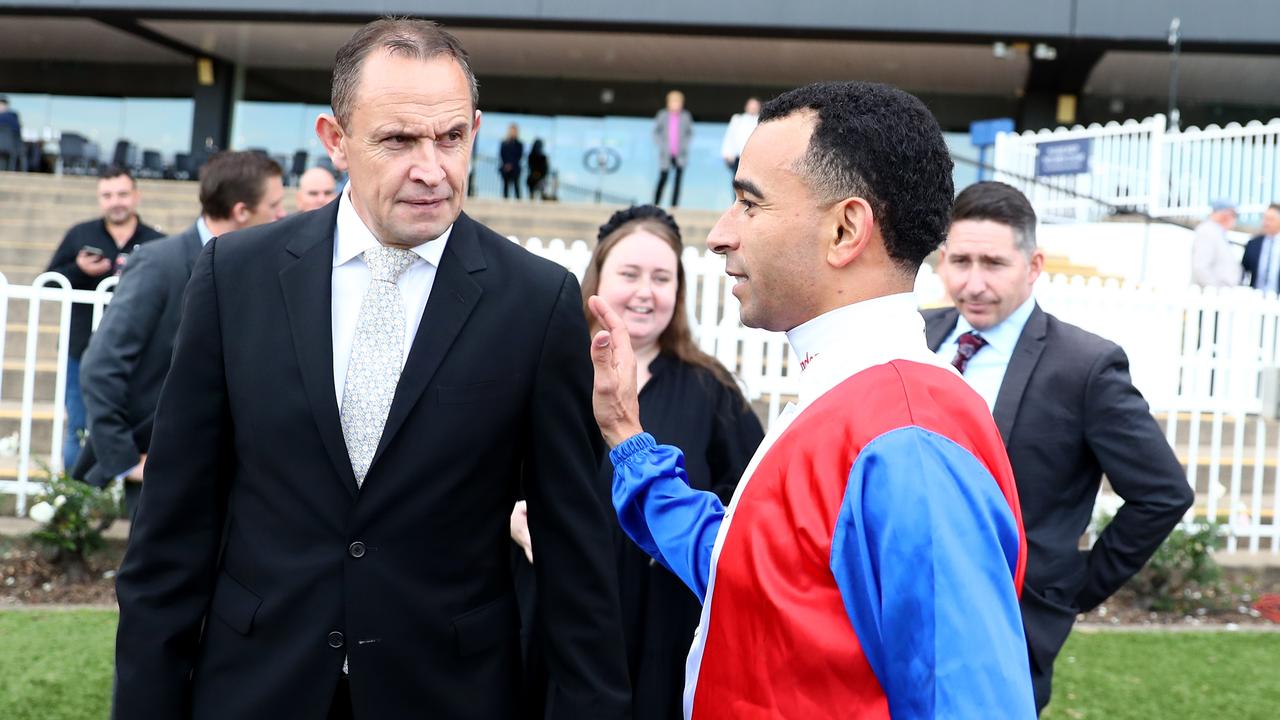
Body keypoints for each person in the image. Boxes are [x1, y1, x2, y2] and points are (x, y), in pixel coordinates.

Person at [112, 19, 630, 720]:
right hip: (257, 688)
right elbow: (171, 534)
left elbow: (575, 555)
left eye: (451, 137)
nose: (431, 167)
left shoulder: (535, 302)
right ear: (336, 140)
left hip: (449, 695)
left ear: (476, 129)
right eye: (398, 140)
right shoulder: (236, 279)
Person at [591, 82, 1035, 718]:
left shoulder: (907, 434)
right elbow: (752, 573)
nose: (719, 234)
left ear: (846, 228)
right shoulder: (855, 395)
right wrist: (630, 442)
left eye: (749, 203)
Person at [924, 181, 1195, 714]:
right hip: (896, 606)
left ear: (1034, 265)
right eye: (960, 261)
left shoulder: (1085, 366)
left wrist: (1071, 590)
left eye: (994, 263)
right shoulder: (913, 336)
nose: (974, 283)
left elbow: (1162, 494)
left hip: (1007, 624)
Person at [510, 205, 764, 719]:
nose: (645, 292)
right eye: (629, 274)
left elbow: (748, 510)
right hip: (550, 614)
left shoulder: (713, 392)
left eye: (661, 277)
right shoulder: (542, 370)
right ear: (597, 279)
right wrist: (509, 516)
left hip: (662, 626)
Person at [77, 152, 285, 519]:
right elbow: (100, 366)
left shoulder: (261, 266)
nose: (281, 215)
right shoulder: (160, 264)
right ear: (241, 211)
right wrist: (126, 461)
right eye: (275, 204)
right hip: (160, 471)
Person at [44, 166, 164, 472]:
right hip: (81, 348)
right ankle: (79, 501)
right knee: (80, 428)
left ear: (136, 196)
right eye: (108, 195)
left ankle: (123, 499)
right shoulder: (80, 234)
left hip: (139, 353)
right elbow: (47, 283)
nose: (116, 201)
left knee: (136, 429)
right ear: (99, 199)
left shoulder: (156, 241)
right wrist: (79, 270)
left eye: (123, 194)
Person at [652, 91, 692, 207]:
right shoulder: (662, 115)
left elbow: (689, 133)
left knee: (678, 181)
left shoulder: (686, 116)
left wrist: (684, 146)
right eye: (674, 102)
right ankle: (656, 203)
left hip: (680, 155)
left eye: (678, 102)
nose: (676, 105)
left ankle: (674, 206)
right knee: (663, 178)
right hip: (666, 154)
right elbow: (655, 132)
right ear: (669, 103)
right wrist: (662, 145)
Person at [1190, 198, 1240, 287]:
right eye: (1234, 215)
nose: (1235, 219)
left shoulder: (1217, 232)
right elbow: (1200, 267)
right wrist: (1216, 291)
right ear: (1225, 214)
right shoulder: (1207, 232)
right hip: (1210, 297)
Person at [719, 97, 759, 191]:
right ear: (746, 107)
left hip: (755, 158)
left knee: (753, 182)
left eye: (755, 106)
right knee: (737, 181)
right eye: (751, 106)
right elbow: (730, 137)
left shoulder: (761, 121)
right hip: (738, 156)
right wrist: (727, 153)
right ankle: (738, 203)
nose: (753, 108)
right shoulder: (737, 119)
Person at [1241, 203, 1280, 292]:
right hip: (1257, 298)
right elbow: (1243, 271)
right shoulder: (1253, 243)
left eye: (1270, 219)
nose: (1266, 223)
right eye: (1265, 218)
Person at [500, 122, 524, 199]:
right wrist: (506, 165)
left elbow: (519, 156)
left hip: (515, 168)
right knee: (505, 186)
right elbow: (502, 154)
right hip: (505, 168)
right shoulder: (504, 143)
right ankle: (504, 201)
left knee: (517, 186)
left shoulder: (519, 144)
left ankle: (519, 202)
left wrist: (512, 165)